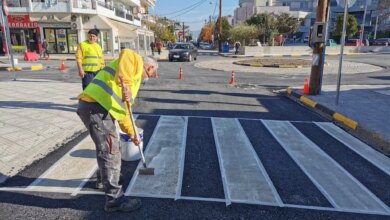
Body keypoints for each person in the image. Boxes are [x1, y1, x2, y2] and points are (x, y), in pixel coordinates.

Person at [77, 49, 158, 212]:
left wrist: (133, 134)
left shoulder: (134, 84)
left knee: (107, 148)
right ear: (148, 68)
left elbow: (124, 114)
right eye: (152, 74)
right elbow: (126, 54)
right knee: (111, 152)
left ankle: (103, 179)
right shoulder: (134, 60)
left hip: (98, 108)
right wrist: (125, 86)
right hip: (95, 107)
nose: (149, 78)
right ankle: (114, 200)